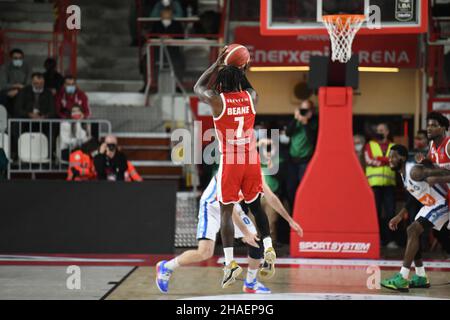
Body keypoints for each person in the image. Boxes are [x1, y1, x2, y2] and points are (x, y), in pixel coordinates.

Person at [194, 48, 275, 289]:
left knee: (226, 212)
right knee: (256, 207)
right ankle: (269, 247)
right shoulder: (252, 96)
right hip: (251, 159)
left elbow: (197, 87)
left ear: (222, 77)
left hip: (231, 161)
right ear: (242, 74)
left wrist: (216, 65)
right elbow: (246, 81)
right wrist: (241, 66)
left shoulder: (217, 100)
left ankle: (230, 264)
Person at [155, 175, 303, 294]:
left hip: (232, 206)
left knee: (255, 242)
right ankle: (166, 267)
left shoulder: (254, 171)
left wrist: (290, 220)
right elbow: (227, 210)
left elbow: (271, 197)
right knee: (205, 252)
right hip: (211, 206)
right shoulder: (229, 171)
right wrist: (245, 233)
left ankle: (250, 283)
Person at [381, 144, 450, 292]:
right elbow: (414, 197)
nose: (390, 159)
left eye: (393, 156)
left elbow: (443, 171)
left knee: (413, 230)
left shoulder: (414, 171)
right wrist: (399, 216)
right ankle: (420, 276)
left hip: (443, 203)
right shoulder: (403, 174)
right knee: (412, 232)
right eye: (389, 156)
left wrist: (430, 168)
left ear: (403, 157)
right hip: (430, 204)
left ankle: (402, 277)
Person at [364, 122, 397, 248]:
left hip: (389, 185)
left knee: (390, 213)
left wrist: (379, 159)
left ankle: (390, 241)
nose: (379, 132)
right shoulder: (369, 145)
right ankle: (376, 240)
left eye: (382, 130)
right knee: (374, 213)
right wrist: (387, 160)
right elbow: (369, 160)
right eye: (378, 130)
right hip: (374, 185)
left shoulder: (394, 146)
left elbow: (395, 162)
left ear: (387, 132)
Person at [286, 100, 318, 210]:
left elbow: (311, 138)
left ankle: (304, 208)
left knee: (304, 187)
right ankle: (294, 208)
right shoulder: (296, 121)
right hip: (293, 161)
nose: (303, 112)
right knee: (290, 187)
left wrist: (305, 122)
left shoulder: (313, 123)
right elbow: (288, 133)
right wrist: (296, 118)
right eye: (302, 109)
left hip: (305, 161)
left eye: (306, 110)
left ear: (311, 111)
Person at [0, 48, 30, 116]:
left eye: (20, 58)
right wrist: (17, 85)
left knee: (22, 98)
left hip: (22, 91)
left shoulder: (27, 67)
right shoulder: (4, 67)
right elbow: (3, 85)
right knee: (3, 96)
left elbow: (28, 84)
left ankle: (17, 122)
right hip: (7, 91)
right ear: (11, 58)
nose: (18, 60)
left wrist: (17, 90)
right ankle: (5, 119)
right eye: (15, 58)